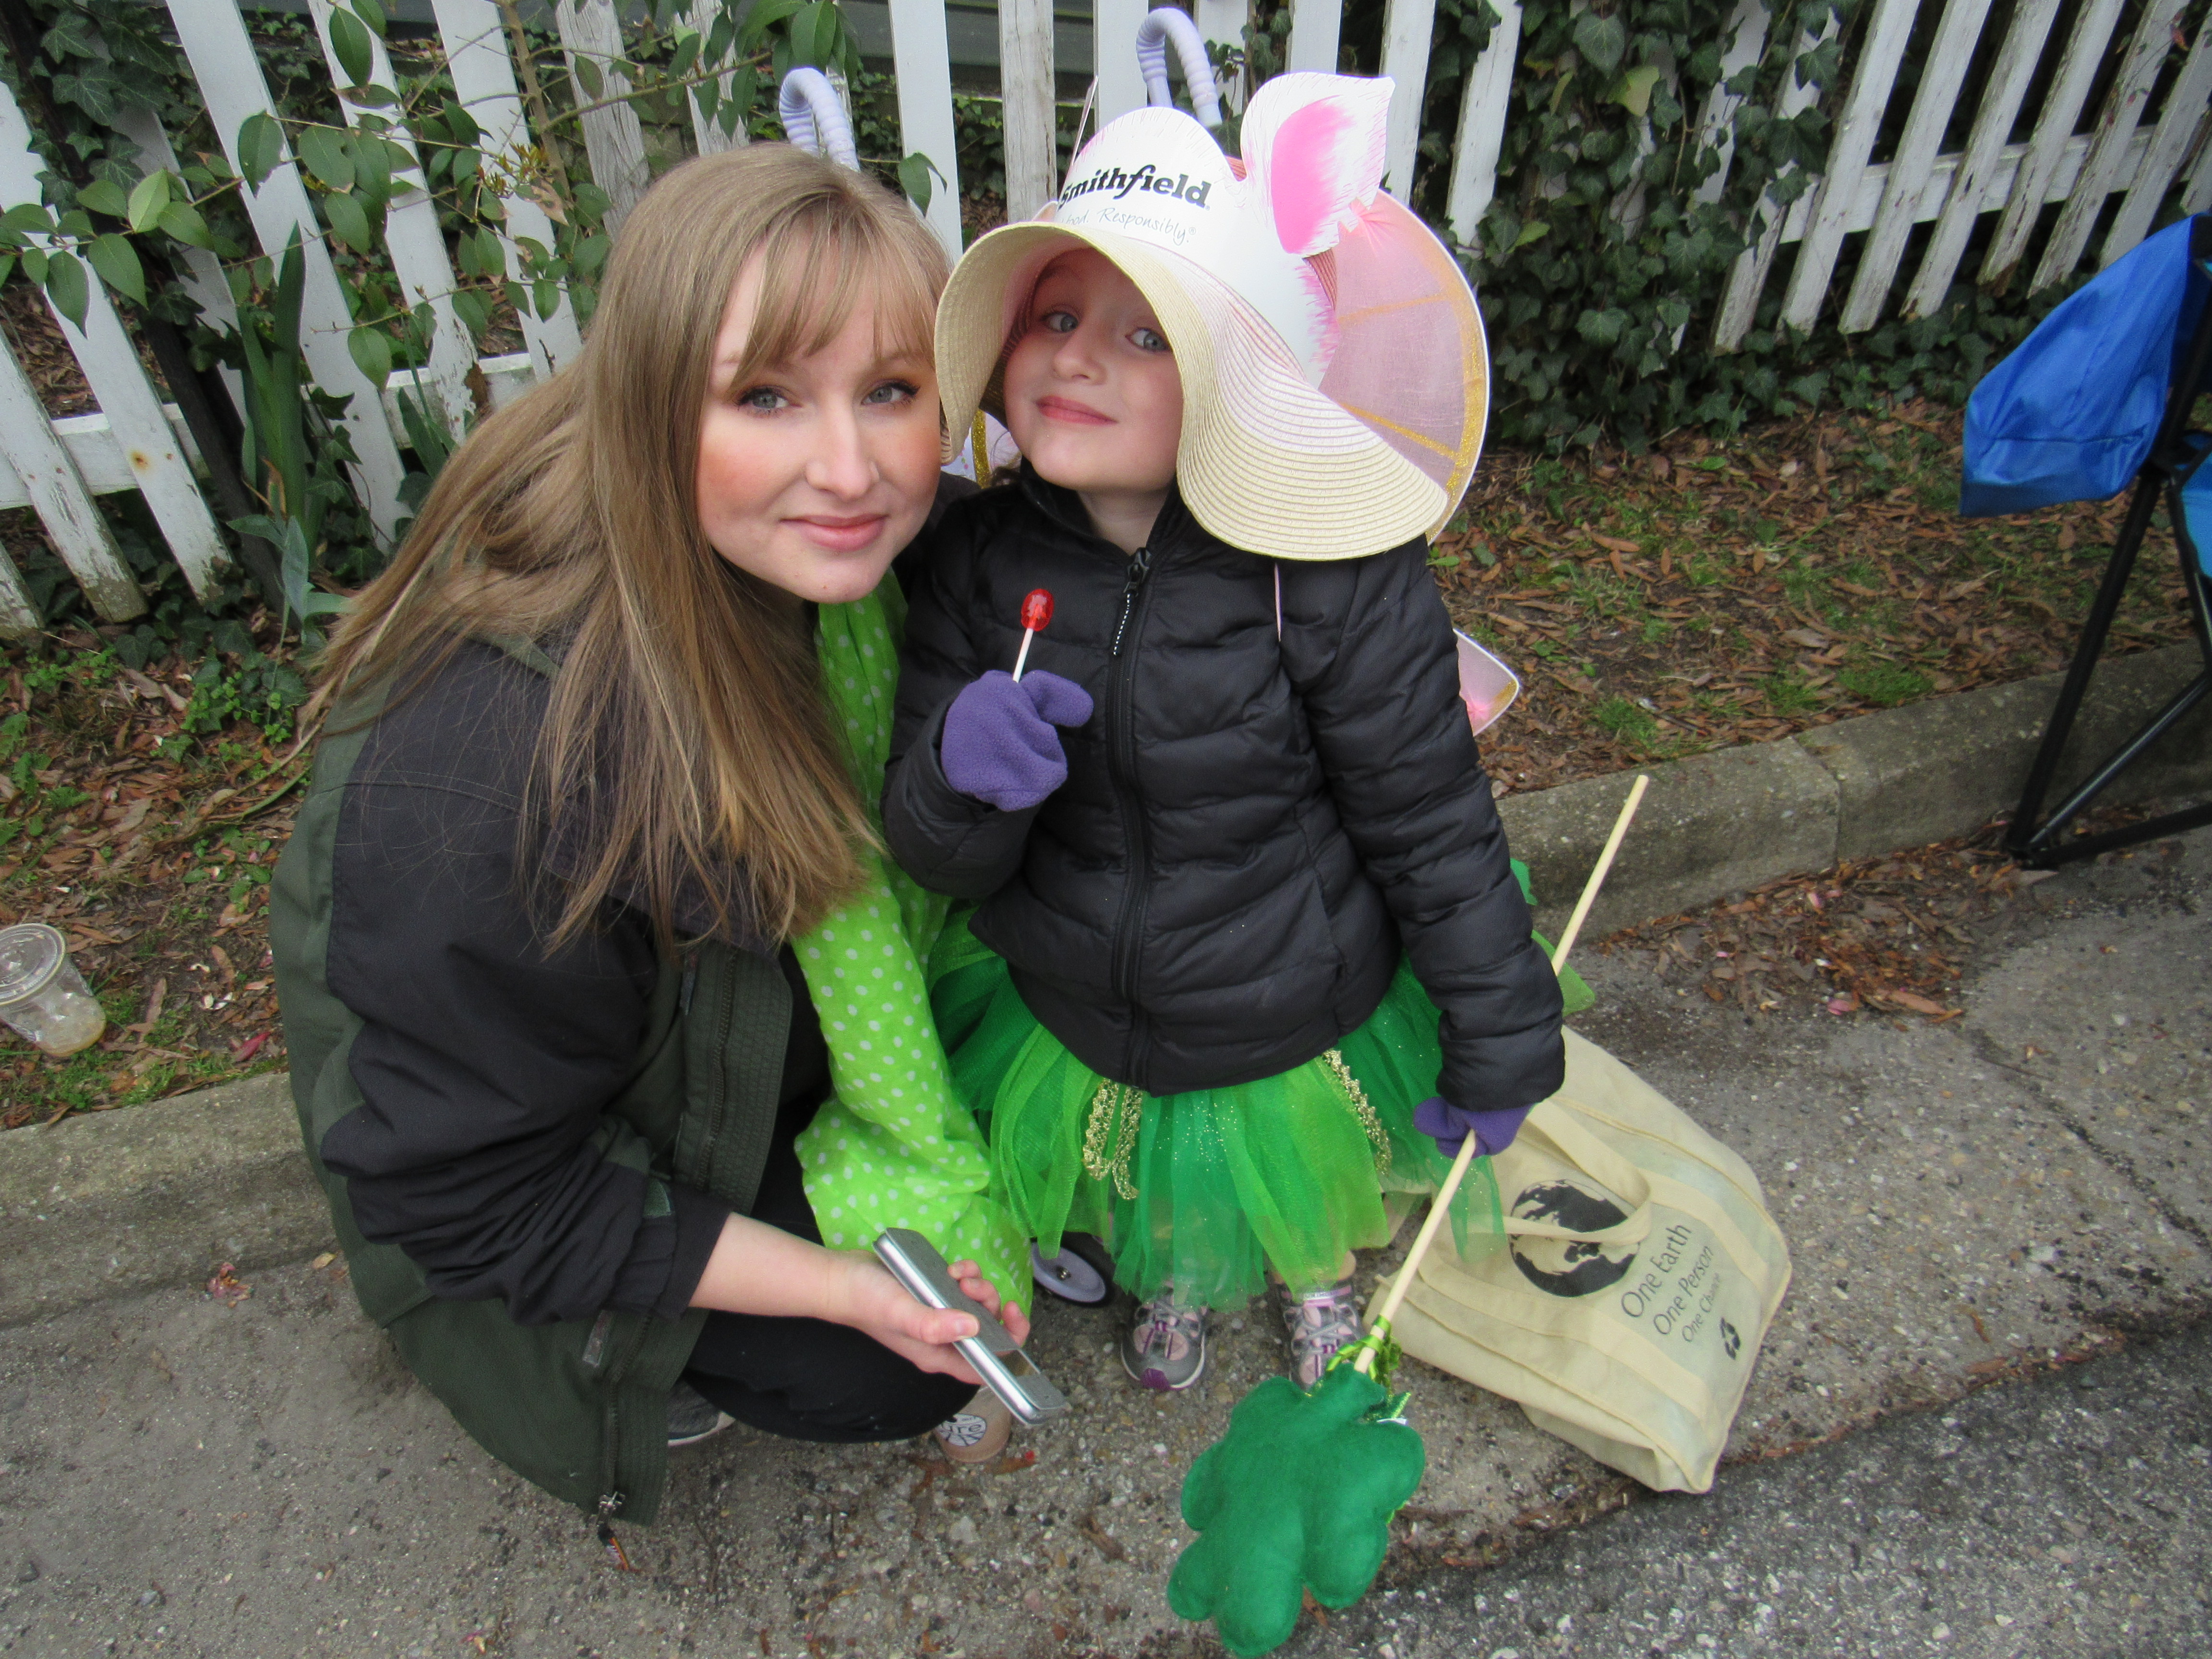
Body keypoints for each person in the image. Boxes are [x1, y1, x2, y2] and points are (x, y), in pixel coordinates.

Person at [270, 145, 1033, 1528]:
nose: (851, 468)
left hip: (697, 1041)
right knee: (886, 1374)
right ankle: (644, 1362)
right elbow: (469, 1198)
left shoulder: (848, 555)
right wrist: (845, 1287)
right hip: (542, 1152)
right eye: (764, 398)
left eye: (891, 390)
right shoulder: (503, 769)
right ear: (644, 406)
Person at [882, 75, 1565, 1394]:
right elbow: (943, 864)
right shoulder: (972, 562)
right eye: (1060, 315)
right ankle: (1177, 1275)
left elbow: (1430, 821)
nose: (1076, 357)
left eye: (1149, 338)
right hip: (1077, 1008)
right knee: (1150, 1192)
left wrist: (1503, 1035)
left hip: (1284, 1002)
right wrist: (962, 779)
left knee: (1292, 1181)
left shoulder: (1331, 572)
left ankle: (1315, 1272)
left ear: (1241, 380)